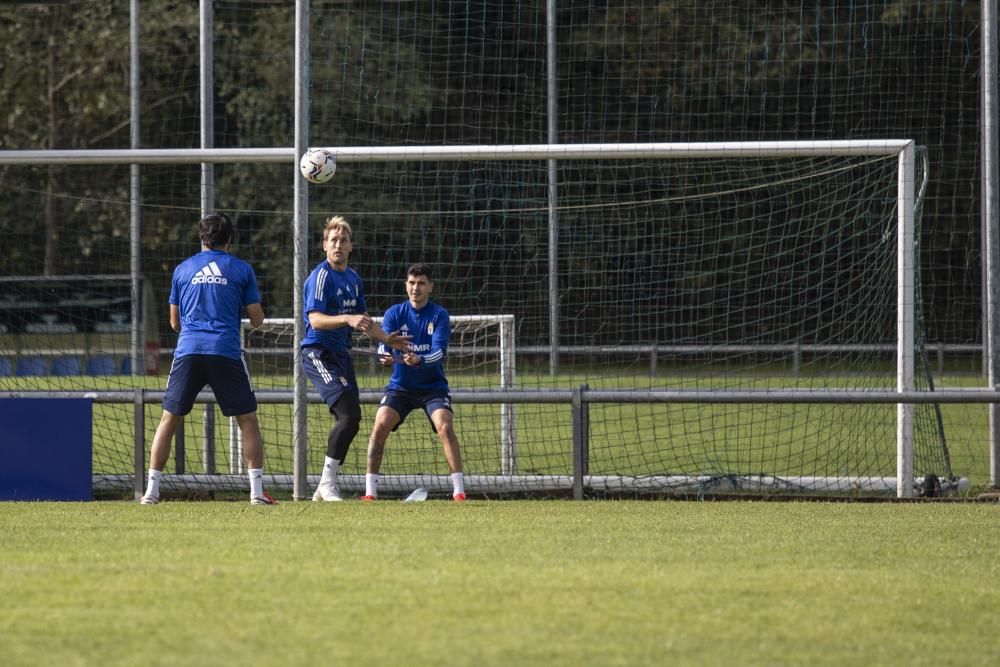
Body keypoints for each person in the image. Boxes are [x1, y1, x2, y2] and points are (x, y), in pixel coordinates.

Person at [140, 212, 276, 505]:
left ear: (202, 238)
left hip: (188, 350)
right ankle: (255, 493)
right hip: (224, 351)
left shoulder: (182, 270)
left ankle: (151, 492)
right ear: (229, 239)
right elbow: (256, 320)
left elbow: (174, 323)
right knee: (248, 421)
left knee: (168, 419)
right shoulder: (242, 269)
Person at [301, 216, 410, 501]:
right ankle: (326, 483)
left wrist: (387, 339)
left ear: (351, 247)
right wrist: (346, 318)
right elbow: (315, 320)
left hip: (341, 355)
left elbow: (363, 322)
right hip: (318, 353)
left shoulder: (353, 279)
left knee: (352, 419)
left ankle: (324, 486)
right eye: (333, 240)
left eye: (343, 241)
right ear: (325, 245)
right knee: (349, 415)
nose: (338, 245)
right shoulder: (321, 276)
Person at [362, 263, 466, 501]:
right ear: (405, 285)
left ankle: (459, 491)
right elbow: (383, 343)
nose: (415, 288)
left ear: (430, 287)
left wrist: (419, 359)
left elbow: (440, 352)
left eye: (420, 283)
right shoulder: (394, 313)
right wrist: (384, 357)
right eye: (411, 283)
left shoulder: (439, 315)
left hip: (433, 388)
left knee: (445, 426)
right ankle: (370, 493)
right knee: (379, 425)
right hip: (401, 387)